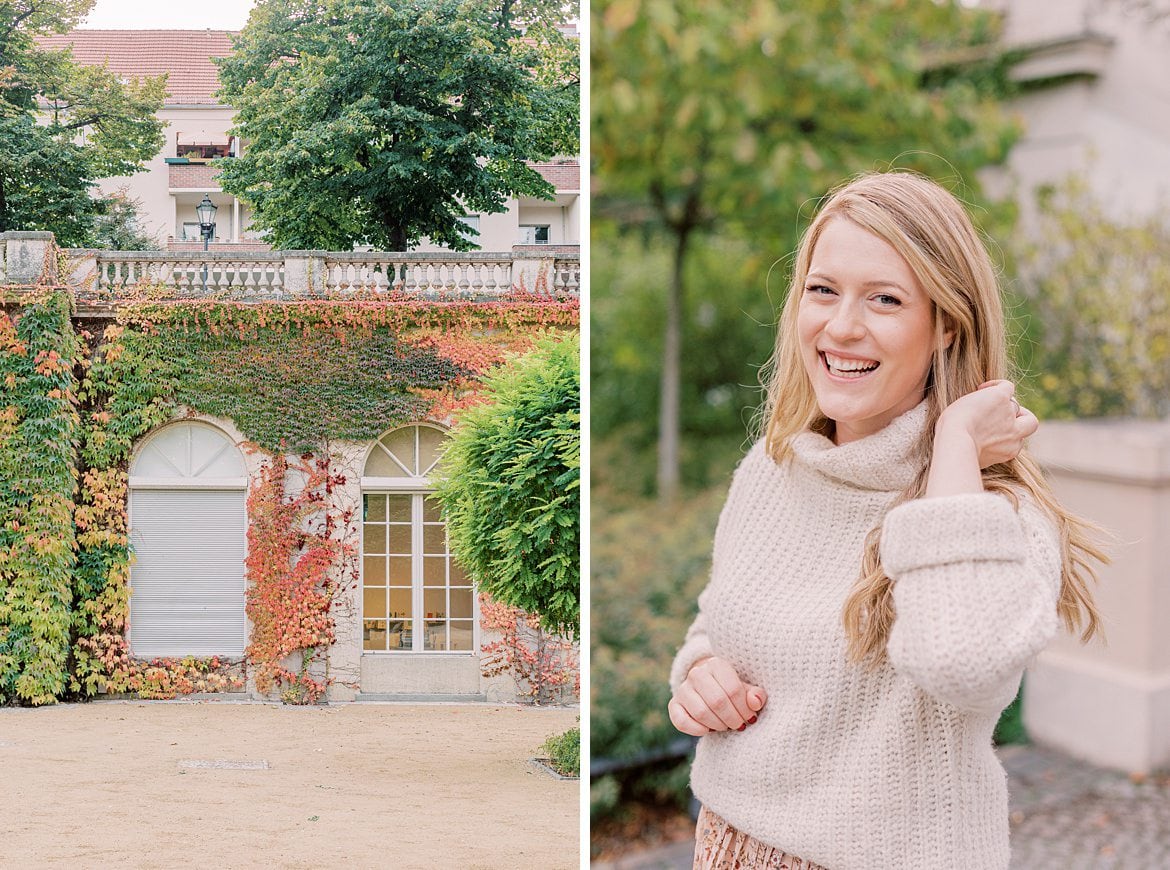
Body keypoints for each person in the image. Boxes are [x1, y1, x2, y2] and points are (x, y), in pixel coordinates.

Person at [666, 171, 1105, 870]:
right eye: (823, 290)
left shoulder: (999, 513)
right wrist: (699, 676)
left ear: (945, 326)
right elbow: (715, 623)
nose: (842, 326)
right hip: (725, 844)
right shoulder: (774, 469)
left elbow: (962, 666)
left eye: (886, 300)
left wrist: (954, 448)